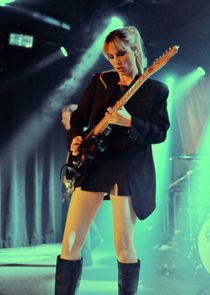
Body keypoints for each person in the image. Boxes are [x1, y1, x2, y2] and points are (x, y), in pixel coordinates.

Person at [54, 26, 170, 295]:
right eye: (110, 57)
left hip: (129, 167)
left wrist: (132, 123)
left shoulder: (156, 89)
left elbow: (160, 132)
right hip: (95, 164)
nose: (116, 61)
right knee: (70, 242)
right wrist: (75, 138)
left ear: (135, 51)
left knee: (123, 245)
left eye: (121, 54)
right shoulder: (101, 81)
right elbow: (78, 119)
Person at [60, 104, 103, 267]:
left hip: (83, 177)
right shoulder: (72, 134)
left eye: (65, 117)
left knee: (80, 216)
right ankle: (95, 241)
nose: (62, 120)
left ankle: (86, 253)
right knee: (81, 216)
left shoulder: (82, 133)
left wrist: (71, 177)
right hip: (76, 176)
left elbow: (80, 156)